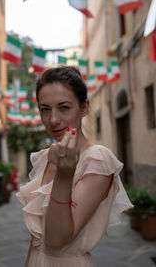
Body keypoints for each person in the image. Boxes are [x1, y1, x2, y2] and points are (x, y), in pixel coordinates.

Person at [16, 66, 133, 267]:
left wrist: (64, 174)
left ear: (84, 107)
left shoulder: (97, 160)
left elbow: (55, 240)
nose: (53, 120)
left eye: (64, 107)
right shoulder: (45, 158)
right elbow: (36, 240)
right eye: (45, 109)